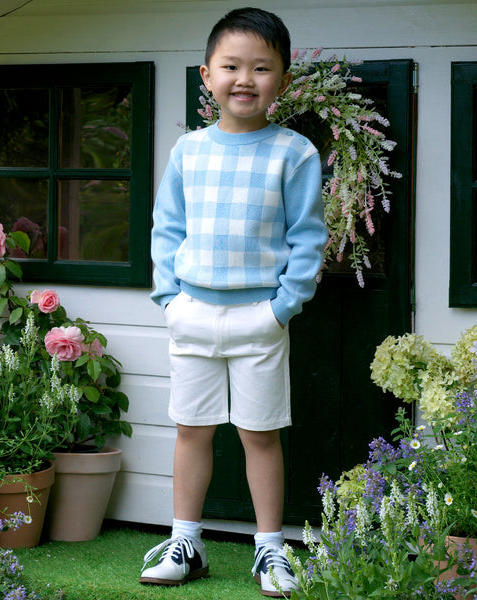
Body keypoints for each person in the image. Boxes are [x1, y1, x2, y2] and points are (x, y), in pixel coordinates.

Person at [140, 6, 327, 597]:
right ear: (206, 75)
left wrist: (281, 308)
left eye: (261, 68)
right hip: (191, 314)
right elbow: (166, 228)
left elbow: (308, 237)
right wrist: (169, 298)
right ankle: (185, 541)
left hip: (259, 320)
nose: (244, 79)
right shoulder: (188, 152)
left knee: (259, 435)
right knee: (191, 430)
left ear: (284, 80)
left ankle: (270, 549)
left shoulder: (293, 153)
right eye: (231, 66)